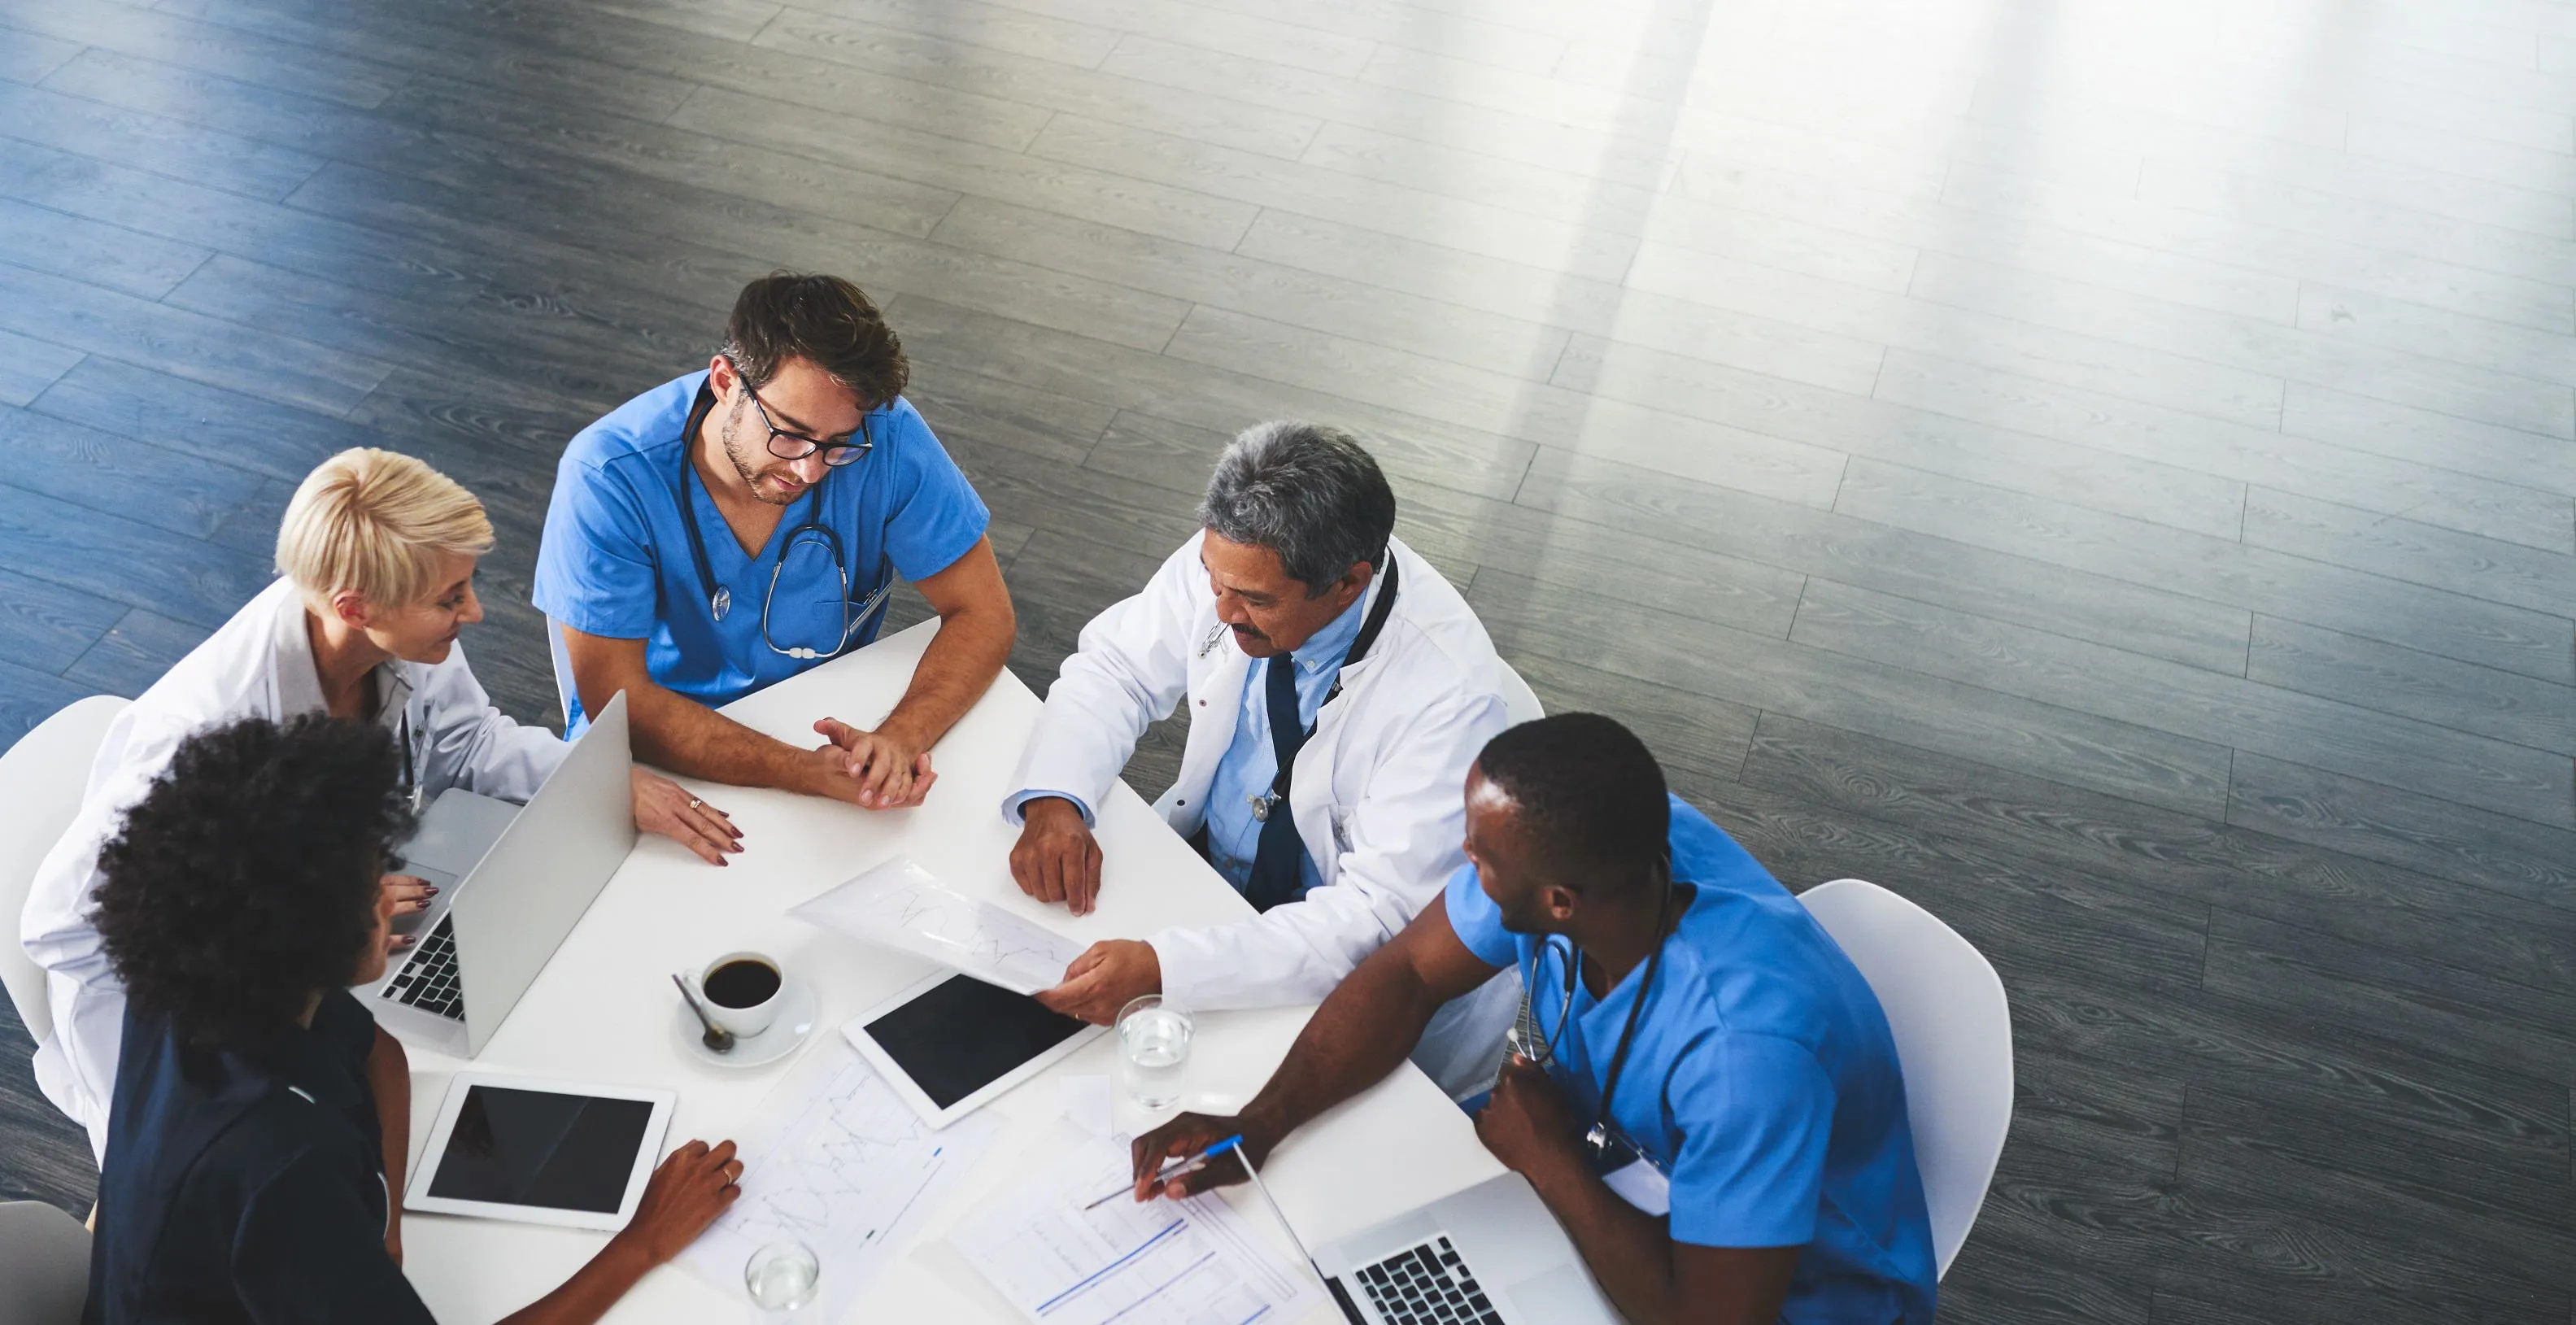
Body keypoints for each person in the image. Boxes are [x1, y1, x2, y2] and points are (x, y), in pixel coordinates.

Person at [21, 449, 736, 1161]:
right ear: (353, 607)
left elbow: (469, 740)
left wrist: (603, 779)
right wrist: (309, 918)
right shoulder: (198, 742)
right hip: (197, 1038)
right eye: (450, 599)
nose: (475, 610)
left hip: (336, 931)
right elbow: (55, 928)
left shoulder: (394, 636)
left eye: (467, 585)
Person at [1131, 715, 1938, 1325]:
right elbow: (1408, 973)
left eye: (1478, 851)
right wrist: (1256, 1125)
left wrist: (1550, 1160)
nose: (1461, 854)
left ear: (1558, 901)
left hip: (1788, 1296)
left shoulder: (1744, 1055)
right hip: (1613, 1182)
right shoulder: (1602, 848)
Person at [82, 713, 742, 1323]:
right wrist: (643, 1240)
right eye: (370, 884)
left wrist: (382, 1237)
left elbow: (379, 1051)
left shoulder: (204, 980)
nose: (387, 893)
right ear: (299, 932)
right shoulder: (282, 1166)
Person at [1001, 421, 1519, 1098]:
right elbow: (1116, 668)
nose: (1220, 610)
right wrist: (1055, 797)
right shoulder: (1240, 560)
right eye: (1213, 582)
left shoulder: (1451, 700)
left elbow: (1376, 922)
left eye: (1253, 600)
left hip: (1355, 979)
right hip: (1210, 888)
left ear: (1347, 583)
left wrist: (1169, 969)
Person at [534, 272, 1013, 812]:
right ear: (724, 382)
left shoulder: (884, 434)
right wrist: (801, 771)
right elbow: (618, 705)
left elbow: (982, 611)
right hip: (660, 745)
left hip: (821, 726)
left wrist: (901, 737)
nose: (810, 470)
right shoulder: (608, 476)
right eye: (788, 433)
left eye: (837, 446)